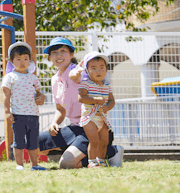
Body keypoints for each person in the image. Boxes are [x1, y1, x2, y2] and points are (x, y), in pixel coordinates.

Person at [39, 37, 124, 169]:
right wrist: (54, 123)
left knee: (67, 164)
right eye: (54, 52)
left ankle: (111, 152)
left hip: (90, 126)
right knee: (35, 144)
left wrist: (79, 71)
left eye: (63, 51)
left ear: (72, 54)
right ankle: (76, 150)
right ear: (50, 57)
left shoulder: (81, 72)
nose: (59, 55)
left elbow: (79, 76)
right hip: (73, 128)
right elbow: (60, 109)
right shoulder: (55, 79)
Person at [1, 42, 47, 171]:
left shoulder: (33, 78)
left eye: (26, 59)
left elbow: (39, 93)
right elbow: (6, 96)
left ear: (30, 60)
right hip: (17, 114)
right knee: (19, 141)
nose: (23, 62)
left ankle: (35, 164)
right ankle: (19, 165)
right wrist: (7, 112)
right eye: (18, 59)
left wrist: (41, 97)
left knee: (33, 141)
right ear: (11, 61)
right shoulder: (10, 77)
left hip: (33, 114)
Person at [76, 52, 115, 168]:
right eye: (93, 68)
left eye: (101, 67)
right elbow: (81, 98)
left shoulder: (107, 85)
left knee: (104, 141)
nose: (98, 71)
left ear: (106, 69)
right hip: (89, 117)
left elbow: (112, 100)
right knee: (94, 141)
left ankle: (101, 161)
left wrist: (108, 107)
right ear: (87, 70)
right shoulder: (86, 83)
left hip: (102, 117)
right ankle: (92, 162)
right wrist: (96, 100)